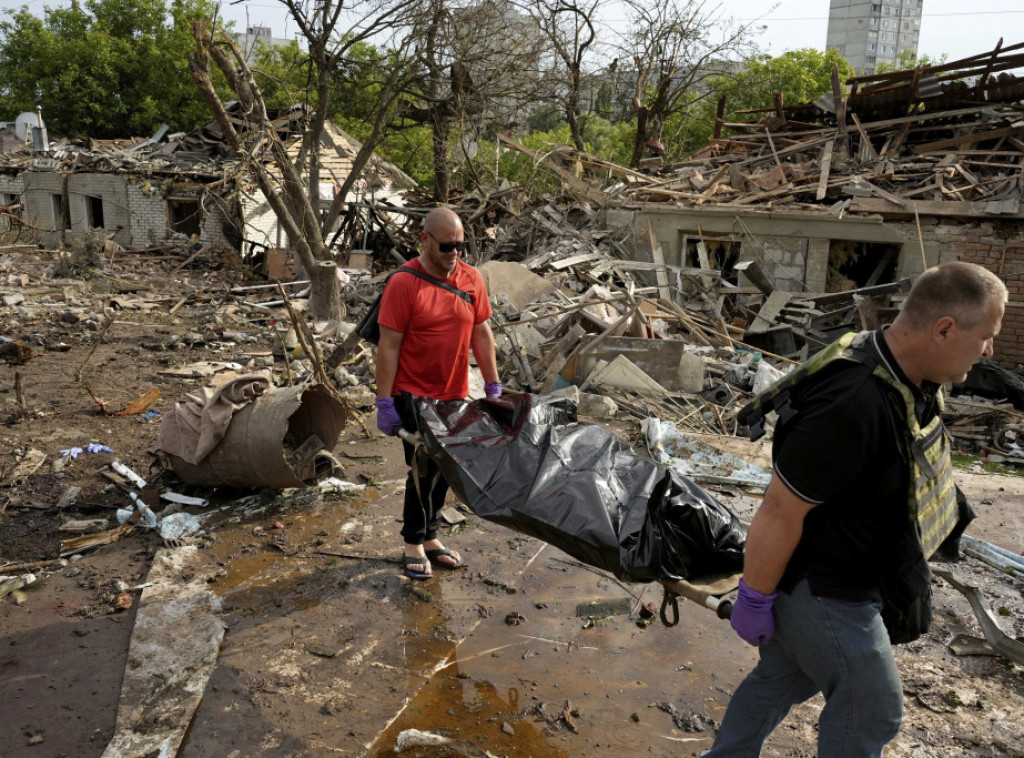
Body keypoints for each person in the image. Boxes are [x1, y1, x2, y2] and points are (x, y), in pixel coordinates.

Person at [705, 261, 1007, 757]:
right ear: (944, 330)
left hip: (851, 575)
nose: (990, 350)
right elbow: (779, 511)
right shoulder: (850, 403)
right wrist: (754, 597)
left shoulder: (908, 376)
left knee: (780, 681)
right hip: (825, 591)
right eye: (987, 336)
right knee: (873, 708)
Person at [373, 207, 502, 580]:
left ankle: (431, 537)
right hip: (411, 393)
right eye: (446, 246)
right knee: (423, 467)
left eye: (461, 245)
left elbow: (481, 333)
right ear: (424, 240)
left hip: (453, 392)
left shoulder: (471, 279)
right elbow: (388, 346)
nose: (454, 253)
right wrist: (385, 402)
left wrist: (493, 385)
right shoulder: (403, 283)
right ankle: (413, 542)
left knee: (446, 468)